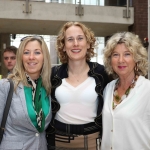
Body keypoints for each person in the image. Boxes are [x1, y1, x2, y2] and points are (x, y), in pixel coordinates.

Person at [46, 21, 109, 150]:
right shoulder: (53, 74)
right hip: (58, 140)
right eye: (70, 39)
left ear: (88, 43)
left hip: (92, 141)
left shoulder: (102, 73)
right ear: (63, 46)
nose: (75, 43)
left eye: (80, 38)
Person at [0, 36, 52, 150]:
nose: (31, 57)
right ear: (21, 58)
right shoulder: (6, 86)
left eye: (37, 52)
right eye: (26, 52)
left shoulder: (47, 87)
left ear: (44, 58)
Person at [101, 32, 150, 150]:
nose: (121, 60)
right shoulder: (108, 88)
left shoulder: (147, 90)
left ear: (136, 58)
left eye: (127, 54)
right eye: (115, 55)